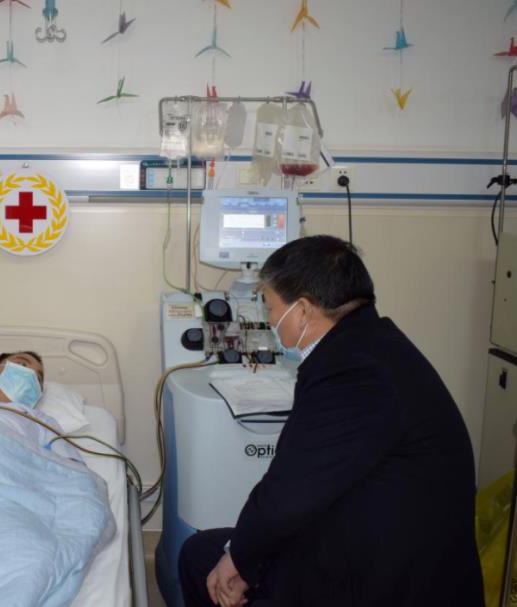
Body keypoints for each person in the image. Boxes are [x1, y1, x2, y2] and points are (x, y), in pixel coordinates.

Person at [178, 235, 483, 607]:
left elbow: (289, 493)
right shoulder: (374, 345)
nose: (269, 320)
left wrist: (237, 557)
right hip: (374, 535)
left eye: (270, 307)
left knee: (206, 566)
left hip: (390, 579)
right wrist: (241, 550)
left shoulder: (353, 375)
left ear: (303, 310)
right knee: (205, 551)